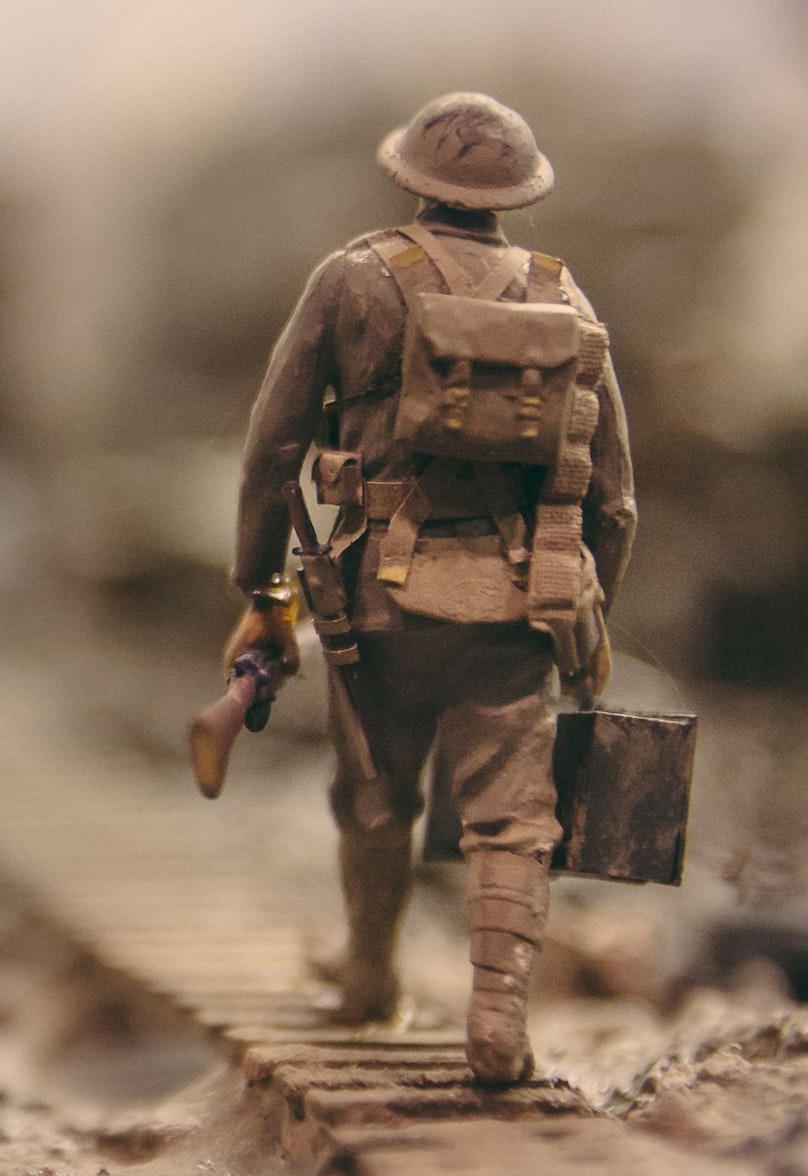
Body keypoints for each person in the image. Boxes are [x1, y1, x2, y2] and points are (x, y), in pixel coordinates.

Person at [224, 92, 637, 1082]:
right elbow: (614, 498)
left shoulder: (353, 278)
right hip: (520, 600)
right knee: (514, 816)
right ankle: (497, 1018)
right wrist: (589, 608)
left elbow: (272, 446)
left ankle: (371, 977)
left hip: (381, 595)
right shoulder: (565, 297)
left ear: (409, 175)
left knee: (374, 792)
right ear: (515, 193)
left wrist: (262, 584)